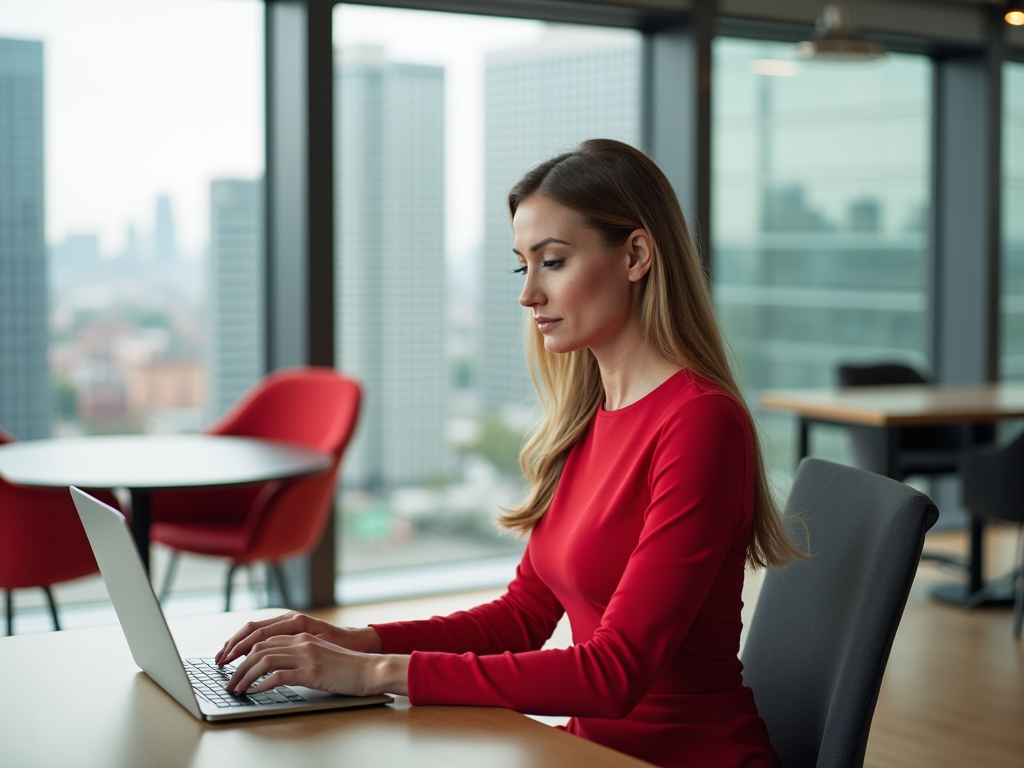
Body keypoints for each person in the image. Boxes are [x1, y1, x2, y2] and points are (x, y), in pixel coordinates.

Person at [216, 139, 801, 768]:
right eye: (523, 267)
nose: (529, 296)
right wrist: (349, 642)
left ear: (635, 255)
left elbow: (613, 673)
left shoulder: (700, 423)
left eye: (552, 262)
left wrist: (373, 672)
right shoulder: (588, 417)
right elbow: (521, 615)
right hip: (584, 751)